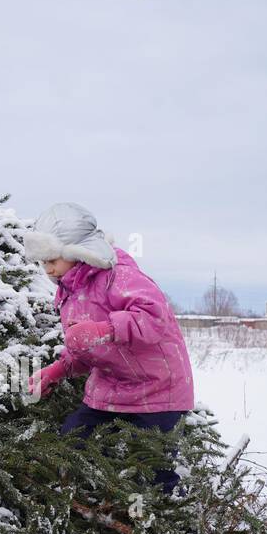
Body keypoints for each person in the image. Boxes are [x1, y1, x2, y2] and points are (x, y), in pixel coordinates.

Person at [24, 202, 195, 493]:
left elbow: (155, 318)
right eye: (43, 262)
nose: (48, 268)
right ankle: (91, 502)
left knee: (153, 468)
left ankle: (168, 515)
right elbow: (85, 345)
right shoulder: (70, 291)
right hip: (111, 388)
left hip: (158, 391)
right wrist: (58, 370)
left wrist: (105, 330)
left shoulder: (120, 276)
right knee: (74, 438)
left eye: (53, 258)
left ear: (77, 251)